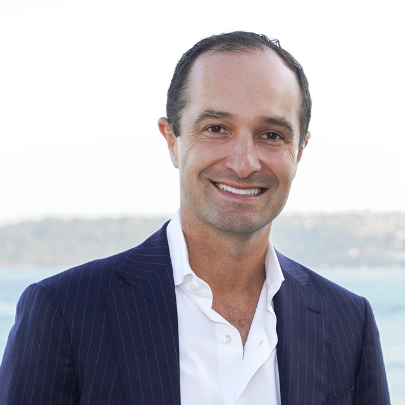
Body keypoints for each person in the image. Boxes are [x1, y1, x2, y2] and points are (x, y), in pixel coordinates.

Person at [0, 31, 390, 405]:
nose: (243, 164)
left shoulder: (348, 322)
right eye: (216, 128)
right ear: (172, 140)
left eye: (271, 134)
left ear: (300, 150)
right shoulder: (64, 312)